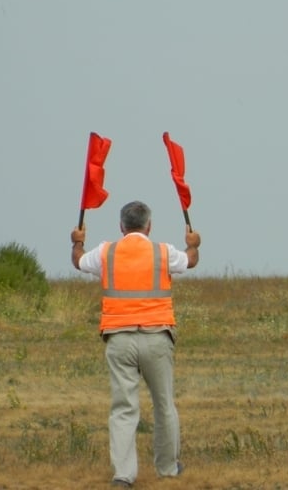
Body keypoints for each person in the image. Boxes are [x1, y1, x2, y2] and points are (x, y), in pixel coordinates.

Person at [70, 200, 200, 488]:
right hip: (157, 337)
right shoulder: (163, 252)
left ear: (121, 226)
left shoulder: (106, 251)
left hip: (118, 337)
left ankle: (123, 475)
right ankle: (167, 468)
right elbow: (190, 261)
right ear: (149, 226)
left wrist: (77, 242)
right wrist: (193, 243)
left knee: (123, 408)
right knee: (164, 404)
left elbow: (79, 261)